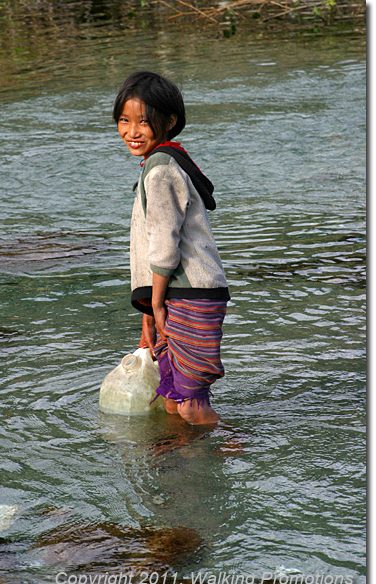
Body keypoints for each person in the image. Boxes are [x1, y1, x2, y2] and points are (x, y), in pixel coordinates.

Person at [113, 71, 230, 425]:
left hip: (189, 295)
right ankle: (182, 465)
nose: (132, 132)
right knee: (170, 396)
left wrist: (157, 303)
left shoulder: (160, 170)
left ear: (170, 121)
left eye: (143, 122)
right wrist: (149, 316)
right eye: (124, 120)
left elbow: (164, 248)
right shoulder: (161, 162)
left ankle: (239, 447)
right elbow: (155, 249)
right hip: (174, 295)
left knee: (191, 403)